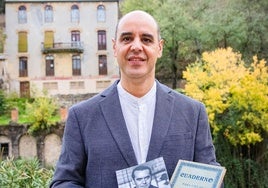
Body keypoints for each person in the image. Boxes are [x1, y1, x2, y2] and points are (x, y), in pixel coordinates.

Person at [50, 10, 222, 188]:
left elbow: (211, 176)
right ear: (115, 47)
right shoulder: (82, 116)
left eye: (146, 39)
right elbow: (64, 182)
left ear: (159, 48)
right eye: (127, 39)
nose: (136, 46)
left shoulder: (193, 113)